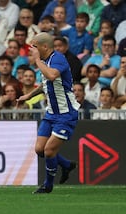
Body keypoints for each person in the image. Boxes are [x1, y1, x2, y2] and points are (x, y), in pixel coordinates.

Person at [18, 32, 79, 194]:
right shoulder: (45, 61)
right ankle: (66, 165)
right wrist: (28, 95)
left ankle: (48, 185)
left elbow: (51, 76)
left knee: (49, 151)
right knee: (40, 149)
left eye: (35, 47)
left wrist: (37, 60)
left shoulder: (57, 58)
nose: (32, 50)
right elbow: (45, 84)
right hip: (51, 113)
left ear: (44, 47)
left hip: (66, 114)